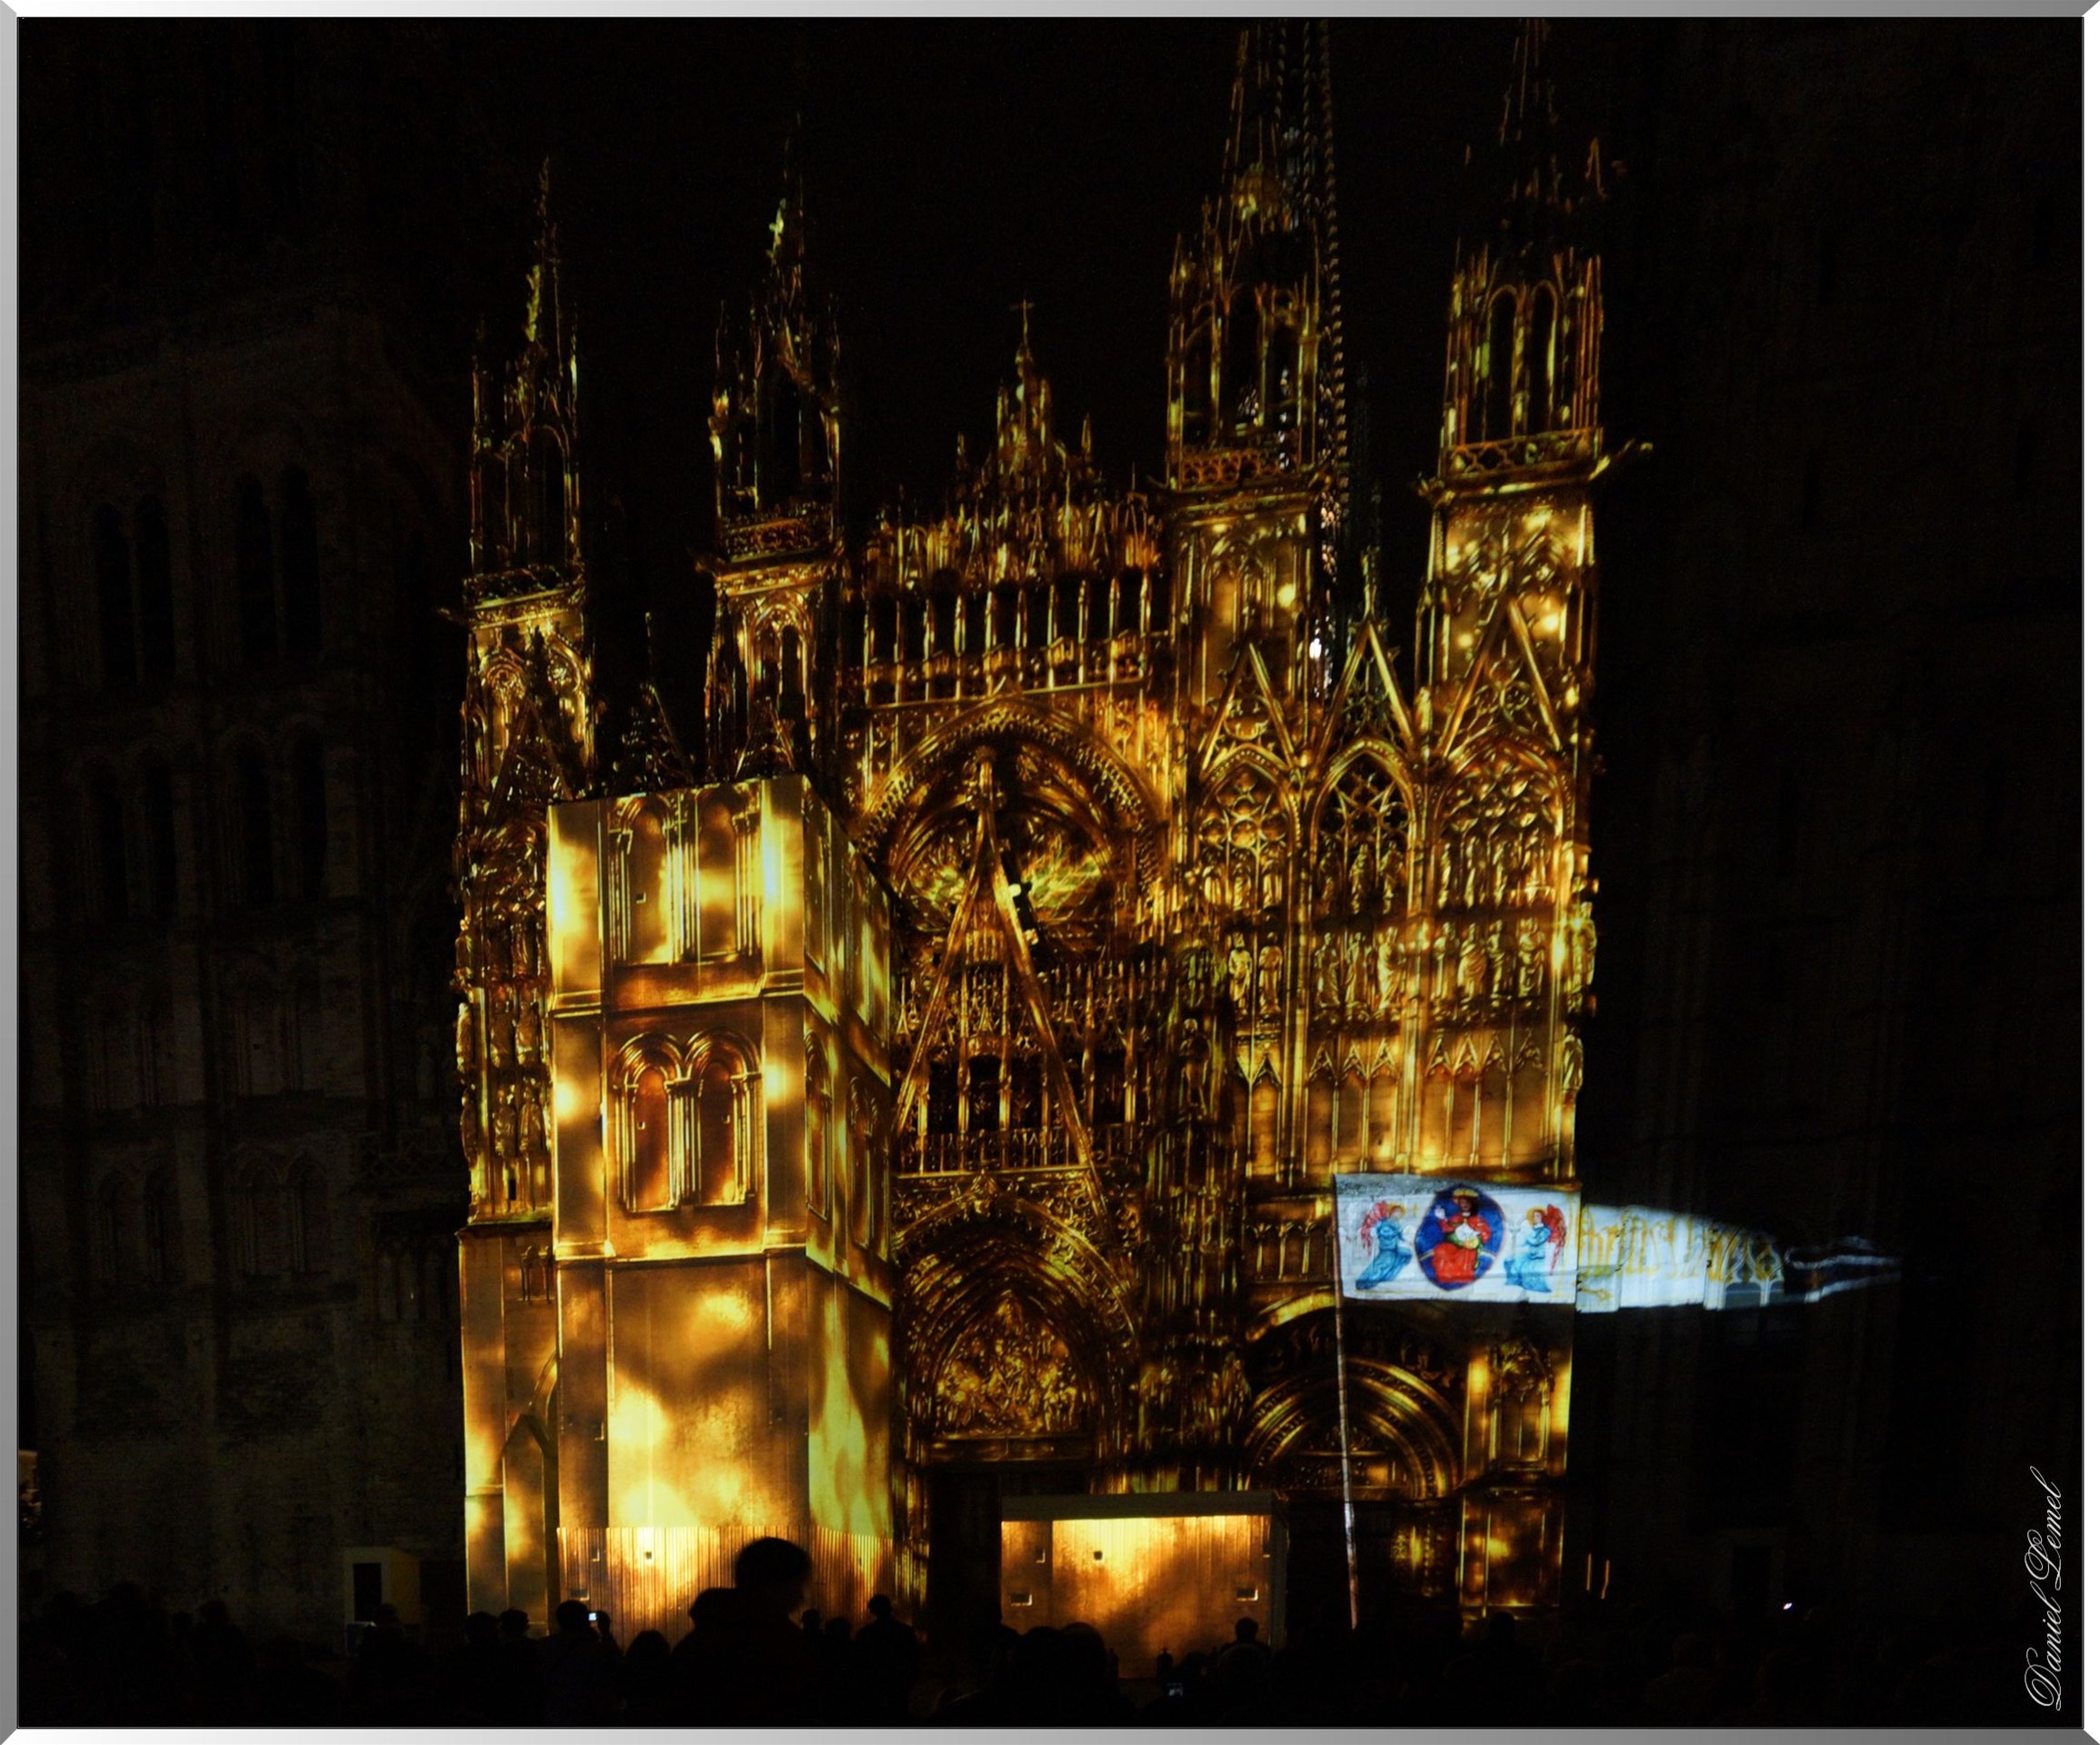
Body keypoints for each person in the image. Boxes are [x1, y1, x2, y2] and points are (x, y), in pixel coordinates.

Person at [669, 1535, 822, 1724]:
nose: (801, 1595)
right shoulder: (783, 1645)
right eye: (797, 1584)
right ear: (779, 1585)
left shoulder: (697, 1642)